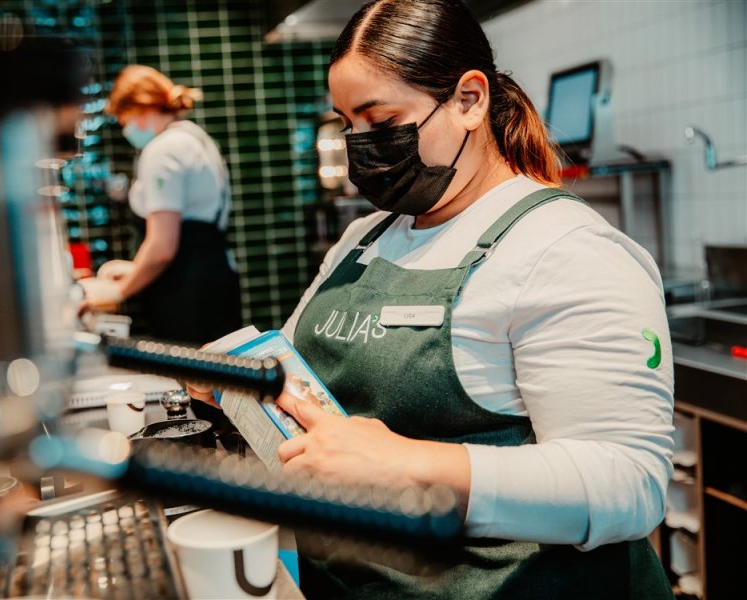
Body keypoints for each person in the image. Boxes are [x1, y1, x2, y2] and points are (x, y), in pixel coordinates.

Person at [190, 0, 675, 597]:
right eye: (347, 124)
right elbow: (305, 381)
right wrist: (246, 383)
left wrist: (405, 463)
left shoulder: (565, 249)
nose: (360, 146)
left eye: (381, 119)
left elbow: (628, 484)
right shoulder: (362, 238)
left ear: (469, 100)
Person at [80, 65, 242, 350]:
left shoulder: (162, 150)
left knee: (194, 385)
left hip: (187, 295)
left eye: (124, 119)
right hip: (212, 279)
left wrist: (118, 291)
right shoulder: (193, 136)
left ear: (141, 110)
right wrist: (134, 268)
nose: (125, 128)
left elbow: (164, 246)